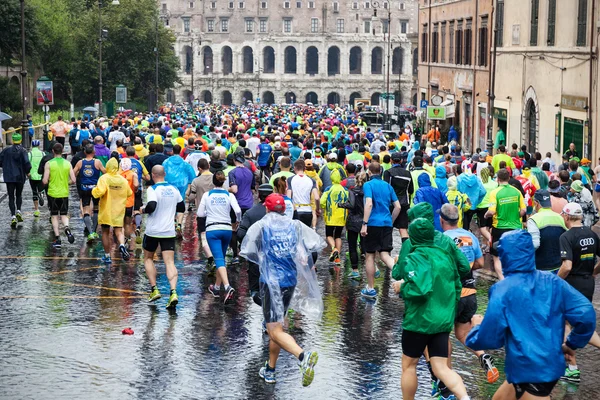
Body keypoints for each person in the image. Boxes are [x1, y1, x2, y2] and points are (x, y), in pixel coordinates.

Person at [466, 230, 596, 400]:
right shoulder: (552, 281)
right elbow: (585, 314)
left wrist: (476, 328)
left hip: (531, 372)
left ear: (507, 256)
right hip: (541, 367)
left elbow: (491, 339)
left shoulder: (502, 290)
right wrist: (571, 344)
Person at [240, 193, 326, 387]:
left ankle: (303, 356)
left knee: (275, 330)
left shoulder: (261, 225)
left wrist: (263, 256)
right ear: (283, 209)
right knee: (277, 327)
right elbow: (316, 243)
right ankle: (270, 369)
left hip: (271, 282)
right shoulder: (295, 225)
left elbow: (247, 248)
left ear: (267, 208)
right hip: (289, 281)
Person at [394, 218, 471, 400]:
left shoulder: (416, 256)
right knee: (441, 368)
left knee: (409, 365)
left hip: (419, 321)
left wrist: (401, 287)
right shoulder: (445, 256)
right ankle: (465, 398)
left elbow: (420, 289)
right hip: (442, 320)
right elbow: (457, 285)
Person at [440, 204, 499, 386]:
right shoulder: (470, 236)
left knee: (442, 337)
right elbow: (480, 262)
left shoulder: (442, 239)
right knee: (463, 333)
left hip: (451, 294)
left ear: (442, 220)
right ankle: (483, 356)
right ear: (457, 219)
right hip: (470, 293)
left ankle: (445, 381)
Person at [558, 202, 600, 382]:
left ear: (566, 217)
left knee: (566, 323)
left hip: (571, 284)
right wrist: (593, 272)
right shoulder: (592, 234)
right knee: (583, 322)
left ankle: (573, 369)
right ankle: (572, 367)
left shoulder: (566, 237)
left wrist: (555, 281)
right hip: (587, 283)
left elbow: (566, 266)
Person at [142, 165, 185, 309]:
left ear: (153, 175)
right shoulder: (174, 189)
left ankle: (154, 289)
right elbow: (182, 208)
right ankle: (173, 292)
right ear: (164, 174)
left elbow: (152, 205)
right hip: (168, 231)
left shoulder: (152, 189)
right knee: (169, 262)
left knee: (148, 258)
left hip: (153, 230)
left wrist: (143, 209)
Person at [197, 170, 242, 304]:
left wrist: (208, 211)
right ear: (223, 182)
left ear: (213, 182)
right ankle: (216, 287)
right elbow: (238, 211)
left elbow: (200, 214)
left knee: (218, 259)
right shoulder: (229, 195)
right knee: (220, 259)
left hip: (213, 229)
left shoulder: (207, 195)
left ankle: (227, 286)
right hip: (227, 229)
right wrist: (237, 221)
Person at [360, 162, 401, 298]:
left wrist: (364, 223)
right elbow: (398, 206)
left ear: (369, 172)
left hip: (372, 223)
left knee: (370, 256)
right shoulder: (388, 186)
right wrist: (391, 220)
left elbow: (369, 203)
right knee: (384, 255)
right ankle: (401, 277)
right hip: (386, 223)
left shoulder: (368, 185)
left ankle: (370, 288)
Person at [237, 184, 274, 306]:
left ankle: (266, 310)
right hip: (275, 257)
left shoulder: (250, 213)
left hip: (255, 257)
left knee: (255, 291)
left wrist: (248, 246)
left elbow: (241, 233)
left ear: (259, 195)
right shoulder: (278, 215)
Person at [485, 168, 526, 280]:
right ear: (508, 178)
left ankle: (503, 281)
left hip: (499, 228)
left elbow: (492, 211)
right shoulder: (516, 191)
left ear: (498, 179)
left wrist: (486, 215)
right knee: (514, 254)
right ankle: (516, 278)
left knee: (497, 256)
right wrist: (515, 216)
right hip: (516, 228)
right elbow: (523, 211)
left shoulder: (495, 192)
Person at [92, 158, 132, 264]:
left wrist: (94, 190)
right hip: (118, 210)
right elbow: (129, 193)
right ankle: (122, 246)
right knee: (119, 231)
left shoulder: (104, 178)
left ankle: (107, 256)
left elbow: (99, 192)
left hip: (107, 210)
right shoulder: (123, 180)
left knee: (105, 232)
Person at [42, 143, 76, 248]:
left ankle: (57, 238)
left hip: (53, 193)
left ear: (53, 151)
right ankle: (66, 227)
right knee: (64, 214)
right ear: (62, 151)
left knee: (54, 216)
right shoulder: (67, 164)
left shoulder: (49, 164)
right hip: (64, 193)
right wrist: (66, 183)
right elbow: (74, 180)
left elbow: (44, 180)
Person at [526, 190, 567, 273]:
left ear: (536, 203)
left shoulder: (533, 220)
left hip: (540, 267)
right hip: (558, 265)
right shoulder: (559, 217)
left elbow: (535, 244)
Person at [72, 144, 106, 241]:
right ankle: (94, 231)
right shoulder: (97, 162)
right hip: (95, 188)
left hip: (84, 188)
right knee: (96, 208)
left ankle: (90, 232)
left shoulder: (80, 162)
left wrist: (76, 177)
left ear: (85, 152)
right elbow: (105, 172)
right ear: (94, 152)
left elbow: (73, 174)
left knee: (86, 209)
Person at [228, 152, 255, 263]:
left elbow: (234, 190)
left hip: (236, 204)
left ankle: (236, 254)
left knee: (234, 229)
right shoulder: (250, 172)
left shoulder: (232, 172)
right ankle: (246, 251)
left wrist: (227, 189)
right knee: (247, 229)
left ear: (234, 161)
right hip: (249, 204)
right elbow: (253, 189)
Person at [339, 171, 367, 280]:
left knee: (352, 246)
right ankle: (372, 267)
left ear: (356, 180)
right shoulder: (368, 192)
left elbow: (351, 204)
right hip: (365, 221)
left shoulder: (352, 191)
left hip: (352, 221)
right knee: (366, 247)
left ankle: (355, 270)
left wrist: (341, 204)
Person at [0, 133, 31, 228]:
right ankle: (19, 211)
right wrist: (28, 172)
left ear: (13, 140)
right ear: (20, 140)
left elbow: (0, 162)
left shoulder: (5, 150)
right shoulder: (23, 151)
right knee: (18, 194)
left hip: (9, 176)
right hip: (19, 176)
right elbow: (27, 163)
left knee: (11, 196)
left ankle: (13, 216)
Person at [188, 158, 215, 265]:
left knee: (203, 235)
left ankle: (209, 257)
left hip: (202, 212)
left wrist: (188, 196)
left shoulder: (196, 181)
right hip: (214, 211)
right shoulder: (215, 178)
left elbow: (192, 196)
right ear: (208, 166)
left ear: (199, 168)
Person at [383, 151, 414, 241]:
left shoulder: (388, 172)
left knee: (388, 227)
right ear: (401, 160)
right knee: (403, 228)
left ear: (391, 161)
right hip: (404, 203)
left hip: (391, 204)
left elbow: (386, 189)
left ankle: (386, 249)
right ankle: (406, 249)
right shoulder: (407, 173)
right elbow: (410, 190)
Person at [320, 169, 348, 265]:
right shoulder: (345, 189)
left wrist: (324, 208)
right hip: (341, 217)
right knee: (338, 236)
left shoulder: (328, 189)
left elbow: (322, 202)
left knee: (329, 235)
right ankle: (337, 258)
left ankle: (333, 248)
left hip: (330, 216)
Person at [120, 157, 139, 246]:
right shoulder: (133, 174)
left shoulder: (117, 174)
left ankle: (120, 243)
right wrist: (133, 190)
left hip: (118, 202)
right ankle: (126, 240)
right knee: (127, 224)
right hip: (129, 202)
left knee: (118, 224)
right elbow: (136, 185)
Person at [28, 140, 46, 218]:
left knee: (34, 192)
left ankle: (36, 210)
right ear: (39, 145)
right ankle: (41, 194)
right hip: (41, 175)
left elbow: (27, 164)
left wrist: (27, 173)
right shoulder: (43, 153)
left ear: (32, 146)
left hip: (32, 176)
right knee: (41, 189)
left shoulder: (30, 154)